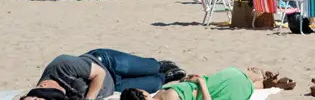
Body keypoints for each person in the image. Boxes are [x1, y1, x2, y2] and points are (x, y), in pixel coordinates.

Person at [22, 50, 185, 100]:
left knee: (151, 67)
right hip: (113, 87)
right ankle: (165, 75)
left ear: (43, 85)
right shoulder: (58, 97)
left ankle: (160, 66)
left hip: (106, 63)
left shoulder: (62, 66)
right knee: (155, 84)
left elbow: (98, 73)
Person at [120, 67, 272, 100]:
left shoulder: (160, 94)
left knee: (247, 82)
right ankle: (262, 77)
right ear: (143, 92)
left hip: (215, 84)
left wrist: (184, 81)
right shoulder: (165, 96)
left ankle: (264, 80)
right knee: (242, 77)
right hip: (215, 87)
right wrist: (200, 81)